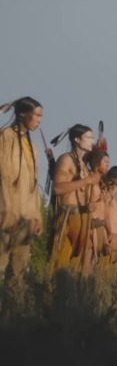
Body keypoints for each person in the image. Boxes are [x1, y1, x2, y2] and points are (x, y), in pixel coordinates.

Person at [0, 97, 44, 294]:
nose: (39, 120)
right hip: (7, 215)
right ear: (22, 114)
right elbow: (3, 176)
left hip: (26, 217)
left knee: (17, 273)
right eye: (37, 115)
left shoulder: (31, 147)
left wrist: (36, 216)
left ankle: (11, 318)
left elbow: (33, 185)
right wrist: (7, 210)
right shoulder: (5, 137)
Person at [49, 124, 101, 276]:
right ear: (77, 139)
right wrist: (86, 181)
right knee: (59, 268)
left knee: (74, 270)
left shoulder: (84, 165)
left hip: (82, 218)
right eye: (89, 137)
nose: (93, 141)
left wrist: (88, 206)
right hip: (67, 217)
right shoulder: (66, 159)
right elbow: (58, 188)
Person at [84, 150, 110, 273]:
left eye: (108, 162)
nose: (107, 165)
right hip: (90, 226)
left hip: (99, 227)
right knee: (85, 264)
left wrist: (104, 237)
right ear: (96, 162)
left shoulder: (102, 185)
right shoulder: (88, 178)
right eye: (104, 161)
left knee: (94, 265)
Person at [102, 166, 117, 275]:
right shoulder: (107, 194)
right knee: (102, 271)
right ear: (113, 178)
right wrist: (105, 238)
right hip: (109, 236)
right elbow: (103, 216)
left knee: (112, 275)